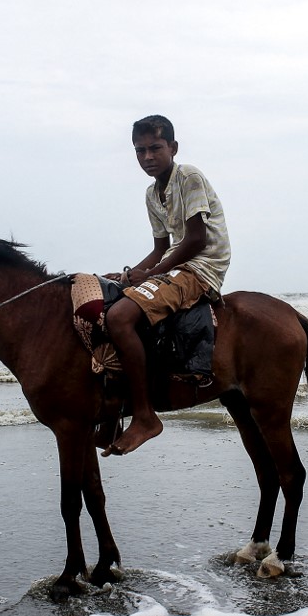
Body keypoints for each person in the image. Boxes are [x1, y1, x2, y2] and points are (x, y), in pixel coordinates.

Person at [102, 115, 231, 456]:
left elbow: (196, 239)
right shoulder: (151, 194)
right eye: (140, 150)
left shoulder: (188, 177)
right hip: (175, 265)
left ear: (173, 148)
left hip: (201, 266)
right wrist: (130, 273)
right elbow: (161, 247)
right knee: (110, 297)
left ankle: (145, 416)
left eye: (155, 148)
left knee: (119, 317)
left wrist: (152, 274)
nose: (147, 157)